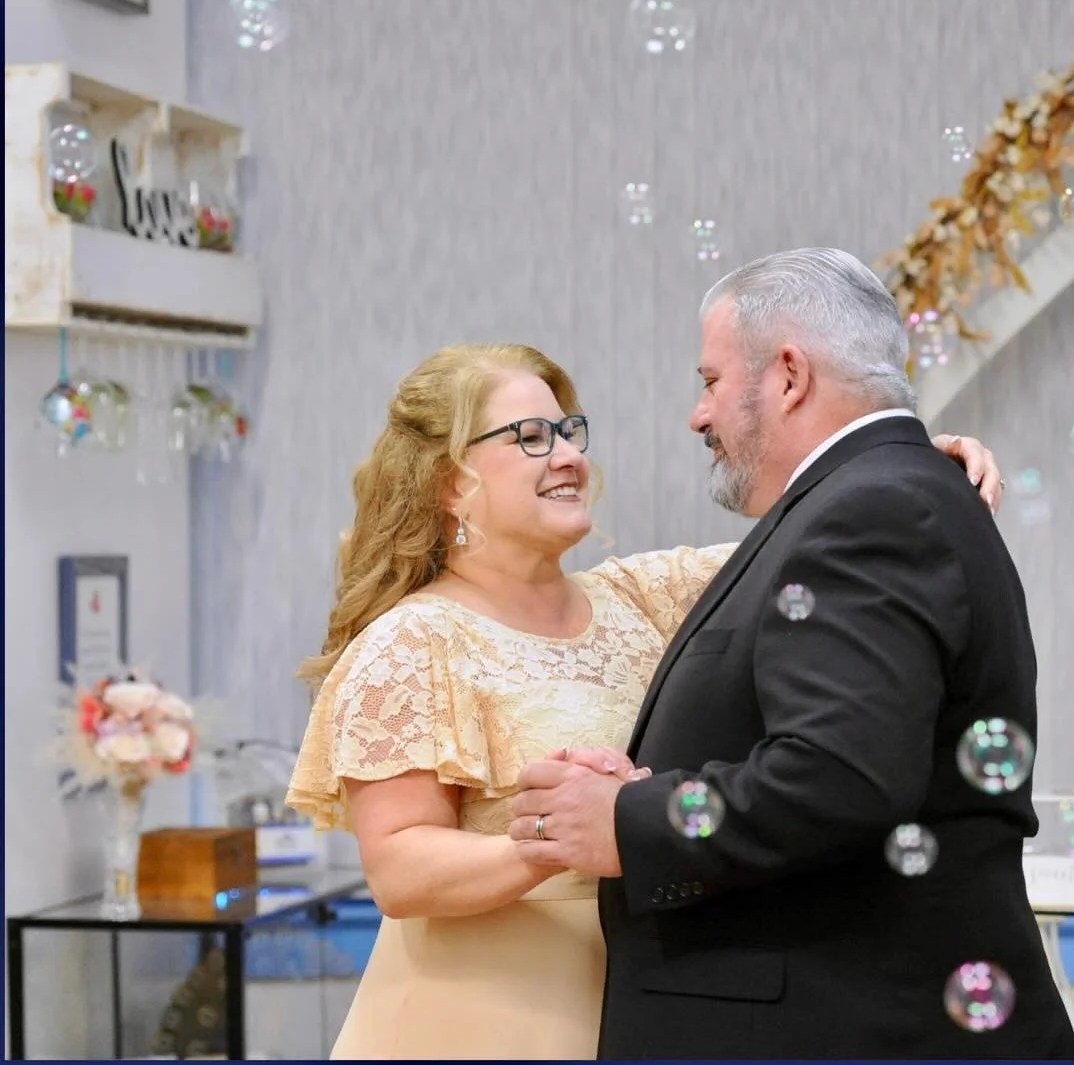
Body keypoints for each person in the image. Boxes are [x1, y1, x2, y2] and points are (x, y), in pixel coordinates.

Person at [284, 341, 1006, 1059]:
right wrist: (555, 841)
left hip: (637, 1010)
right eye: (530, 438)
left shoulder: (643, 598)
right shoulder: (411, 641)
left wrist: (900, 463)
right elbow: (399, 870)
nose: (567, 455)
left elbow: (823, 537)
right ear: (448, 480)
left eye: (570, 432)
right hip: (482, 1019)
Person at [511, 250, 1074, 1059]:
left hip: (845, 1026)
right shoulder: (879, 496)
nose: (696, 416)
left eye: (709, 380)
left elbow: (840, 775)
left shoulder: (873, 509)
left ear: (787, 377)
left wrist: (629, 822)